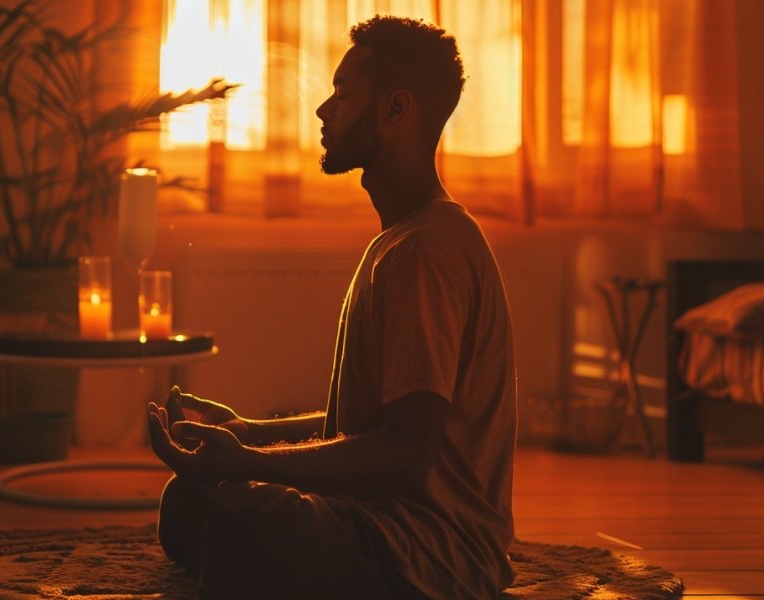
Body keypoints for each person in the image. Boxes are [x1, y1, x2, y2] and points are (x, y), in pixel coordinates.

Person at [147, 15, 517, 600]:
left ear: (396, 110)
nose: (323, 109)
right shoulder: (399, 239)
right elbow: (369, 426)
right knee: (190, 502)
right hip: (375, 518)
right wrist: (251, 435)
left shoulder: (427, 249)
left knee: (245, 524)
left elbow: (403, 453)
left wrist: (250, 463)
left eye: (344, 94)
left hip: (431, 551)